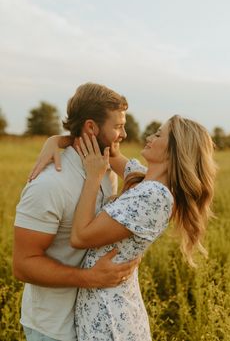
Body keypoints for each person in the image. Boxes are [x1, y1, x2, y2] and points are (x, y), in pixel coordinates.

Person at [31, 115, 216, 340]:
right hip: (105, 305)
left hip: (109, 317)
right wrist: (56, 141)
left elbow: (80, 237)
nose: (149, 137)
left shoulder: (154, 196)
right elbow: (111, 151)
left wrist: (93, 177)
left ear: (176, 150)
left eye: (158, 134)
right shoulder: (145, 181)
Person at [13, 83, 140, 341]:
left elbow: (148, 181)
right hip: (53, 328)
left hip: (94, 322)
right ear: (91, 127)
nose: (124, 134)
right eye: (117, 126)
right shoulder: (49, 185)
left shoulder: (104, 170)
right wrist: (91, 278)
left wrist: (60, 139)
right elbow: (23, 265)